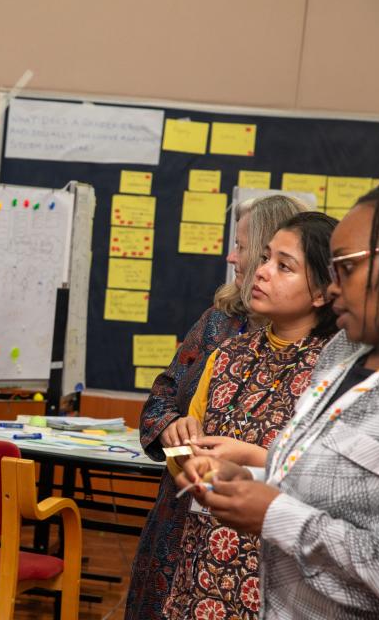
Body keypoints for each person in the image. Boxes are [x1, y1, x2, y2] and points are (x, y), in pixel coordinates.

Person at [178, 175, 379, 618]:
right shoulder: (341, 352)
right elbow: (332, 479)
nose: (330, 290)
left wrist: (276, 514)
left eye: (345, 266)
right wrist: (254, 482)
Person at [126, 194, 307, 620]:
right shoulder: (220, 329)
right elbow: (161, 400)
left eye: (242, 246)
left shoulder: (326, 359)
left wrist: (246, 459)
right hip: (184, 525)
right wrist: (172, 428)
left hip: (259, 546)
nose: (232, 257)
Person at [163, 211, 338, 619]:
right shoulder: (227, 356)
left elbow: (334, 481)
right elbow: (186, 469)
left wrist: (250, 457)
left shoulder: (333, 371)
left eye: (284, 266)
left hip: (277, 577)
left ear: (321, 293)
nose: (261, 273)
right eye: (263, 258)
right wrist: (181, 445)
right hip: (202, 565)